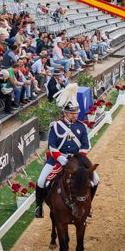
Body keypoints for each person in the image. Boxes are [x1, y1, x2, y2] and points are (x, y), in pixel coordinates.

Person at [34, 86, 99, 218]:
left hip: (77, 160)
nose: (74, 115)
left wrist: (77, 158)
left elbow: (86, 146)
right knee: (41, 181)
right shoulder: (56, 126)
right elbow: (52, 146)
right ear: (65, 113)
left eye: (76, 113)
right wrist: (60, 158)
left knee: (96, 179)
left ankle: (88, 205)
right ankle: (39, 207)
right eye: (71, 113)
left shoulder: (81, 126)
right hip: (57, 159)